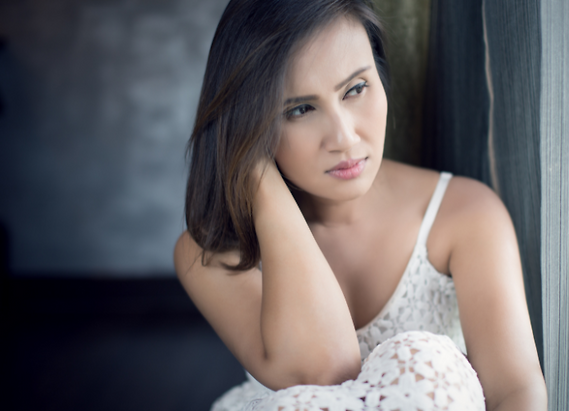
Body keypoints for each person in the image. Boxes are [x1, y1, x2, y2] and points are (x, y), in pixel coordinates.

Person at [174, 0, 547, 410]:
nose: (345, 137)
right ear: (250, 123)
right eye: (300, 109)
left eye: (355, 89)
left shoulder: (464, 215)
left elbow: (515, 392)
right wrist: (256, 177)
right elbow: (322, 370)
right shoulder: (210, 252)